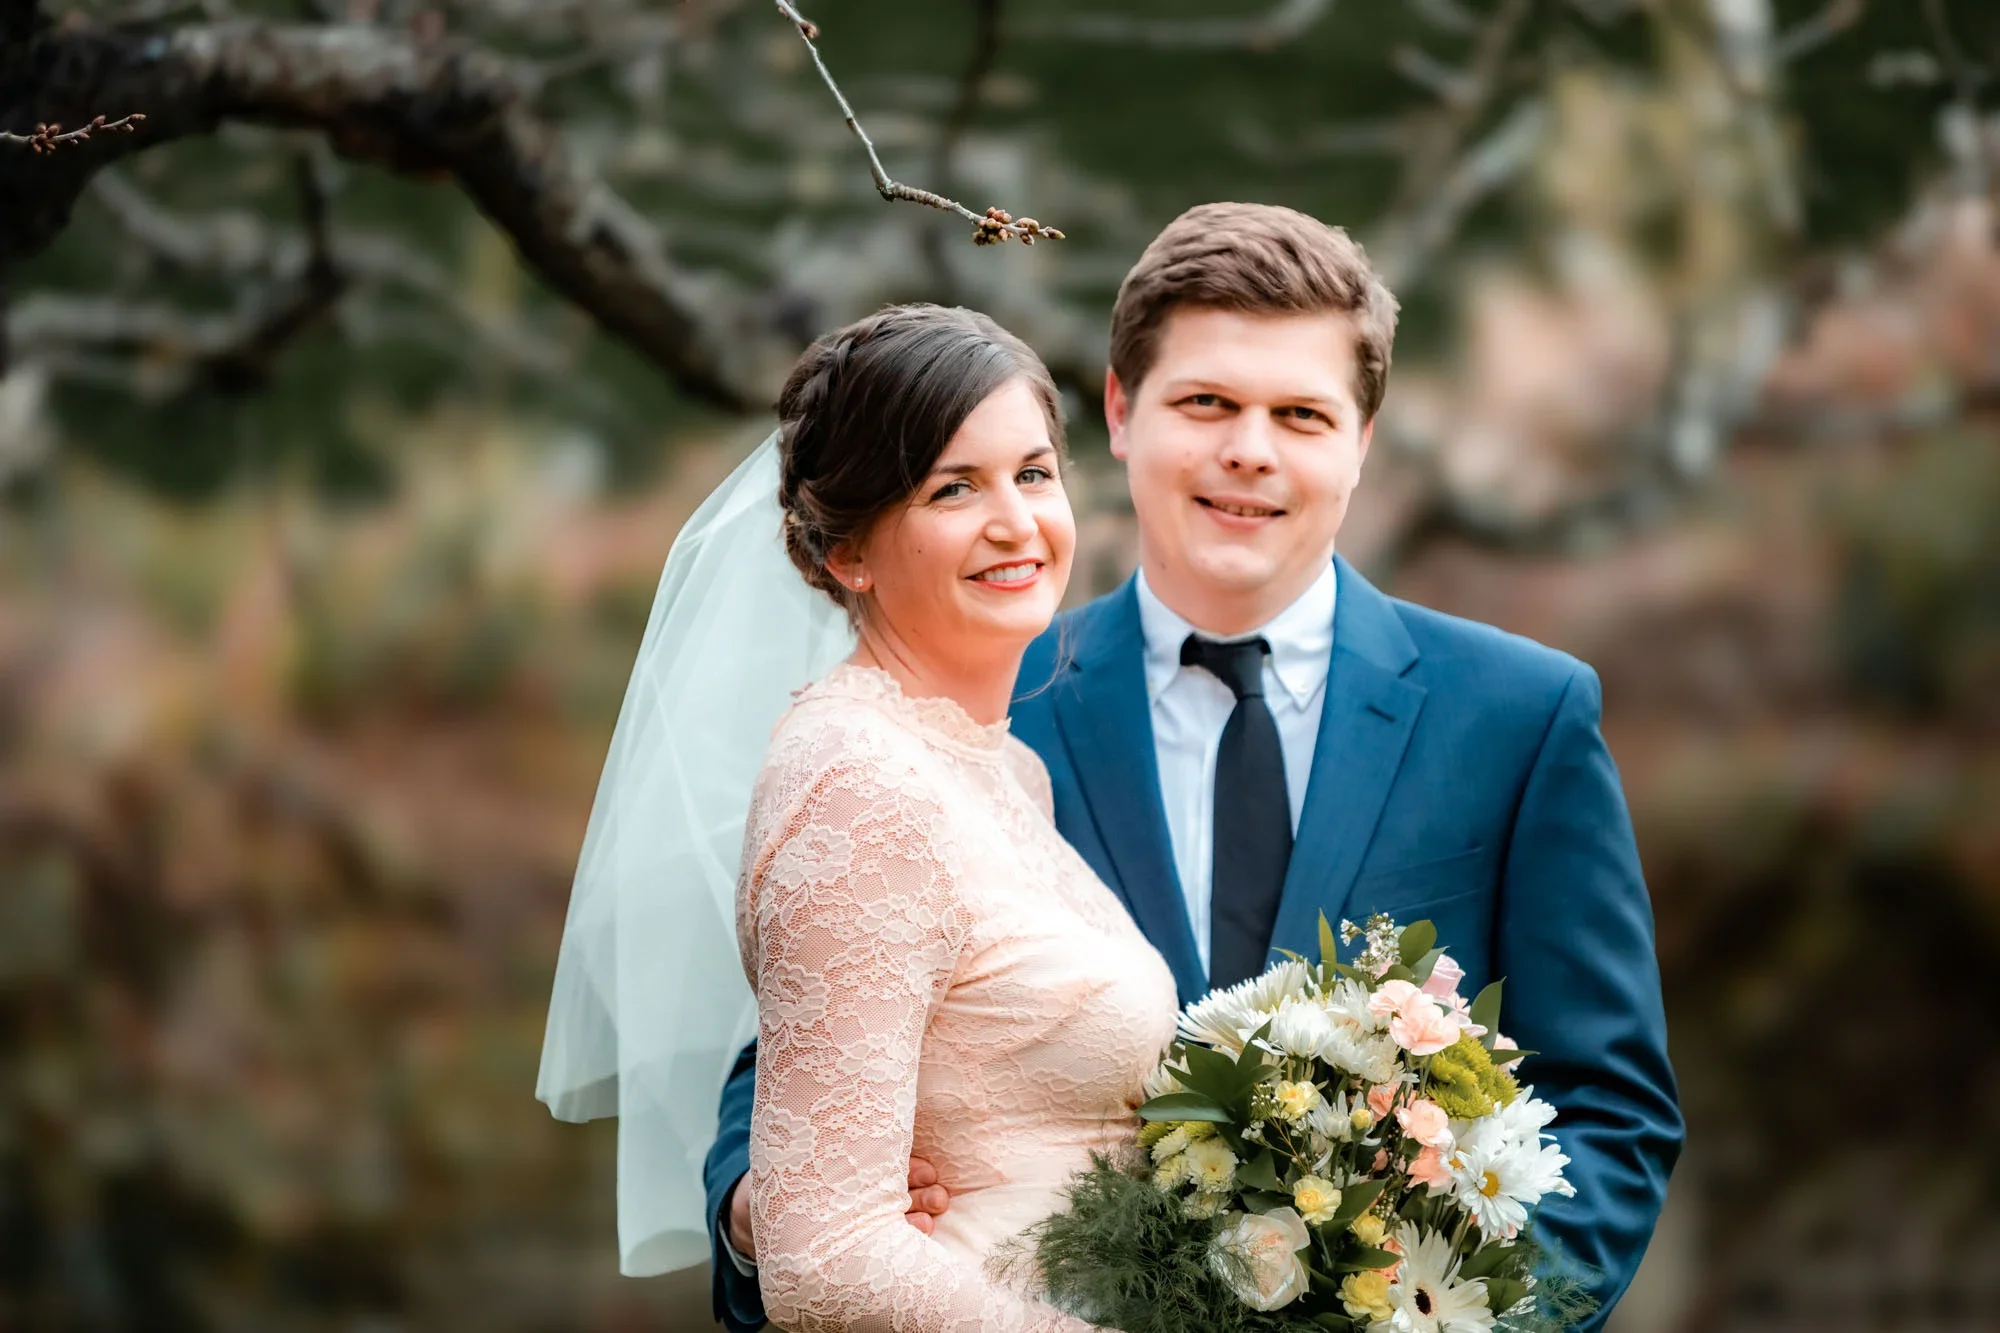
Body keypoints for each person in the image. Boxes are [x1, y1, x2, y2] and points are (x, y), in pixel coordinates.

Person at [706, 204, 1683, 1332]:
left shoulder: (1521, 716)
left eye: (1300, 414)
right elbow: (797, 1040)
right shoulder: (969, 704)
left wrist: (1461, 1318)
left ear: (1362, 441)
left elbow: (1607, 1111)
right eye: (1207, 402)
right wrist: (764, 1206)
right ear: (1121, 412)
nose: (1248, 451)